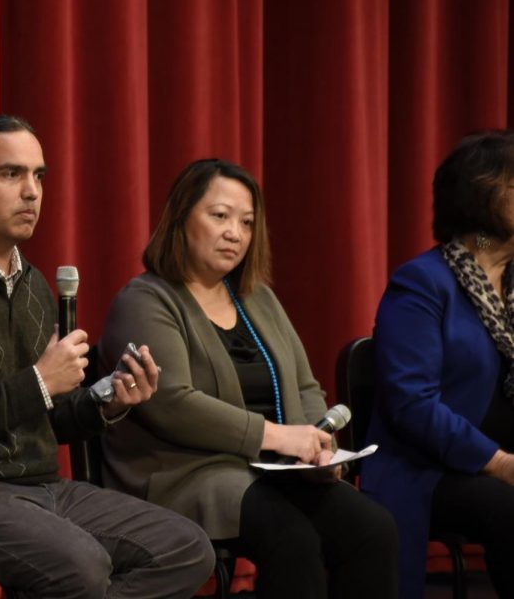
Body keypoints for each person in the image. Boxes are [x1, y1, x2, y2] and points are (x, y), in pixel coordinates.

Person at [0, 113, 216, 598]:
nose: (31, 192)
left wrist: (107, 402)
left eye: (39, 176)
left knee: (186, 548)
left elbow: (45, 420)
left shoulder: (30, 283)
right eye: (11, 174)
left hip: (40, 489)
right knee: (83, 567)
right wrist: (38, 382)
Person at [98, 159, 398, 599]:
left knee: (374, 528)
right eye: (219, 216)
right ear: (181, 219)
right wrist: (277, 437)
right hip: (185, 473)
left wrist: (320, 444)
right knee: (293, 537)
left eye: (246, 222)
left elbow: (304, 386)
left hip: (273, 471)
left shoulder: (258, 299)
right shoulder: (145, 299)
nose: (234, 233)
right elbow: (173, 403)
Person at [361, 130, 514, 598]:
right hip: (429, 467)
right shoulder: (422, 284)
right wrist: (499, 463)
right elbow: (412, 403)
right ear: (482, 193)